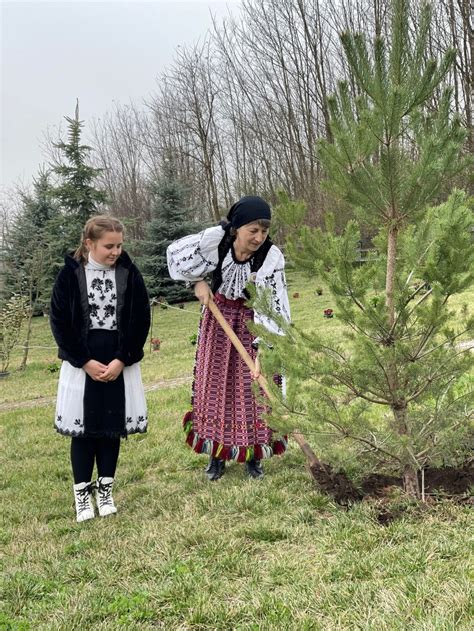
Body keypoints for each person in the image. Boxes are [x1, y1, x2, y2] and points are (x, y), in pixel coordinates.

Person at [167, 195, 290, 481]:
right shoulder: (217, 241)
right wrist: (196, 282)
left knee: (254, 390)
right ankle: (217, 454)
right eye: (253, 231)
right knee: (216, 387)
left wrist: (264, 348)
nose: (259, 237)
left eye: (264, 231)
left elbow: (274, 304)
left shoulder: (270, 257)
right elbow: (177, 255)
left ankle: (254, 456)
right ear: (236, 228)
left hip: (254, 321)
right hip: (218, 319)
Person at [50, 215, 150, 522]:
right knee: (84, 432)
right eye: (109, 246)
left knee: (110, 429)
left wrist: (123, 358)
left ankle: (105, 490)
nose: (116, 251)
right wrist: (83, 361)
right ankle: (82, 494)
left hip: (119, 359)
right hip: (83, 360)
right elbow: (60, 322)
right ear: (89, 243)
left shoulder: (129, 274)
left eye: (119, 245)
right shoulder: (70, 275)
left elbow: (140, 319)